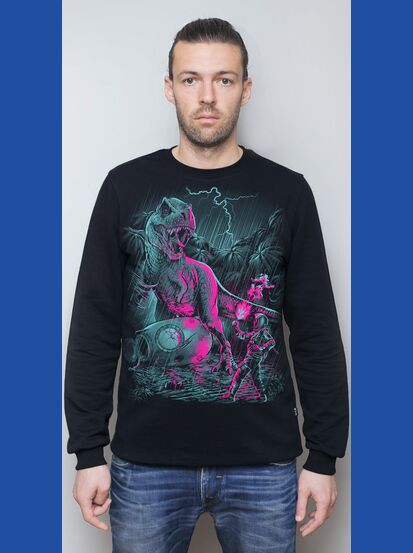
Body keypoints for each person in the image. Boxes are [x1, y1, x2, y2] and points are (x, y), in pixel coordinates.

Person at [65, 17, 349, 553]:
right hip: (145, 467)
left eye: (224, 79)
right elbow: (94, 325)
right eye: (191, 79)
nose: (207, 97)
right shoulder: (124, 187)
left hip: (263, 466)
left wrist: (323, 456)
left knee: (210, 331)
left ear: (246, 88)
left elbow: (315, 331)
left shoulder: (287, 192)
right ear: (169, 88)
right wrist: (87, 450)